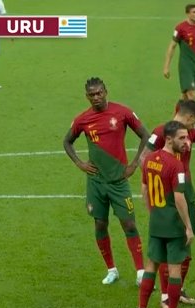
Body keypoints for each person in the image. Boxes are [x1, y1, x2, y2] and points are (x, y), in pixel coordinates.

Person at [63, 77, 150, 286]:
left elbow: (146, 136)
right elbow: (67, 141)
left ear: (106, 91)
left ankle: (140, 271)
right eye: (92, 94)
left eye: (99, 92)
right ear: (87, 96)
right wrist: (80, 163)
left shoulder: (122, 112)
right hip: (96, 182)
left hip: (118, 181)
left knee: (128, 224)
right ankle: (112, 269)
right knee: (100, 224)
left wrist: (135, 164)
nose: (96, 97)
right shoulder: (82, 120)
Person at [147, 100, 195, 308]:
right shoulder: (161, 131)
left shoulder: (189, 133)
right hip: (169, 195)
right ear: (188, 117)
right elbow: (146, 158)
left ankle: (176, 291)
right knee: (172, 246)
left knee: (186, 246)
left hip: (186, 190)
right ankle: (164, 297)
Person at [130, 121, 194, 308]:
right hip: (173, 225)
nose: (186, 142)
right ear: (169, 139)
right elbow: (179, 198)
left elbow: (144, 190)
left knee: (151, 266)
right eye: (182, 138)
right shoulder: (177, 165)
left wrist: (153, 213)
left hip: (156, 223)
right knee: (174, 270)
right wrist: (188, 226)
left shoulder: (148, 160)